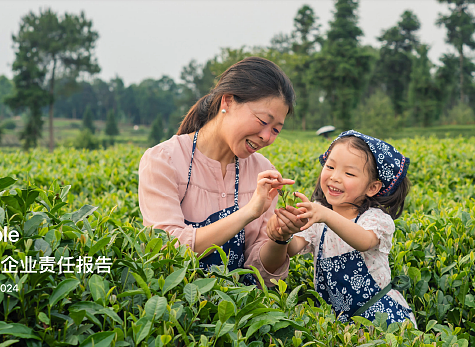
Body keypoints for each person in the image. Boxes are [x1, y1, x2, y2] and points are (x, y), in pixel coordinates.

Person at [138, 57, 295, 287]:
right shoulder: (165, 161)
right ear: (228, 102)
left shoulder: (264, 171)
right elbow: (167, 248)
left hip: (237, 314)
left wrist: (279, 239)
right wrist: (248, 212)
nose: (266, 136)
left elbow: (264, 278)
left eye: (276, 130)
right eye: (262, 121)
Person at [261, 130, 416, 326]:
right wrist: (284, 233)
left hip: (381, 317)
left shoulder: (374, 219)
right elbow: (292, 249)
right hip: (340, 323)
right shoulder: (319, 221)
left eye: (349, 173)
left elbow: (364, 241)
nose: (335, 177)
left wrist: (325, 215)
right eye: (330, 166)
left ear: (372, 188)